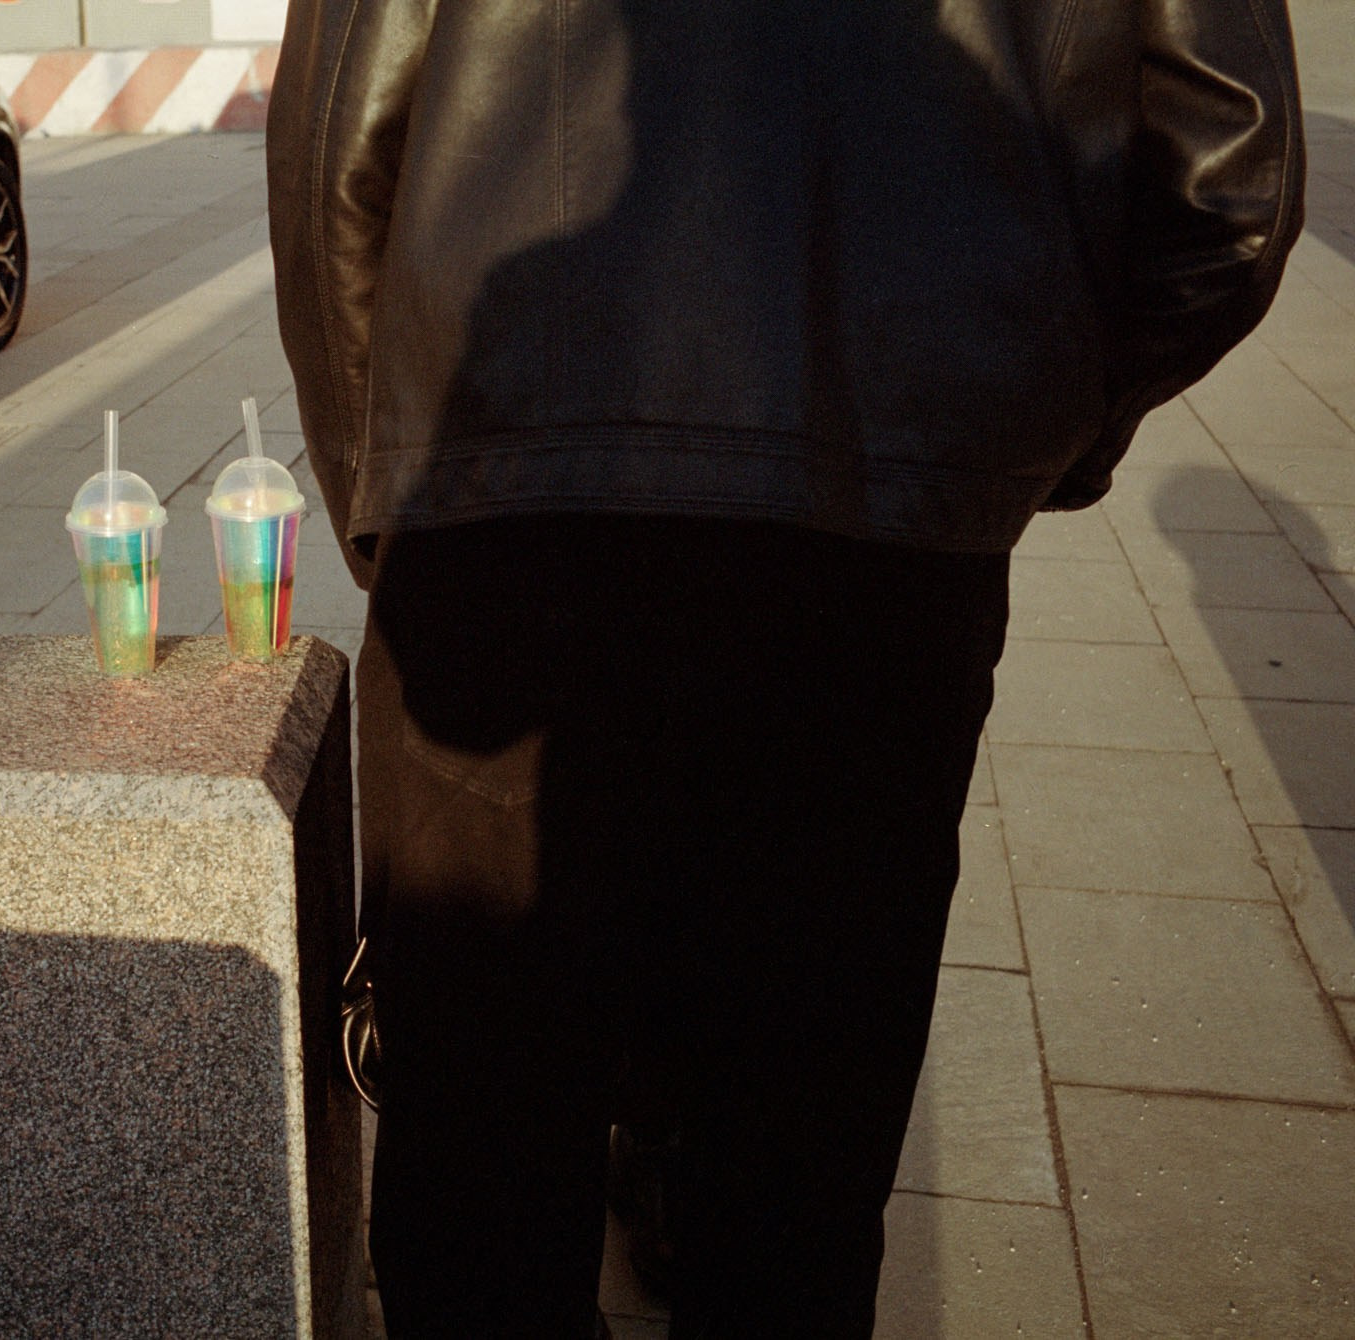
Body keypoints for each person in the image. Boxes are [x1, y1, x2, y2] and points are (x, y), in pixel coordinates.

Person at [266, 3, 1304, 1335]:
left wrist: (392, 484)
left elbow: (332, 137)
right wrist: (1012, 430)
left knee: (484, 1166)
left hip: (512, 495)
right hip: (881, 543)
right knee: (798, 1168)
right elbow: (1233, 172)